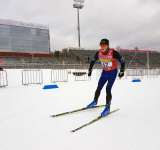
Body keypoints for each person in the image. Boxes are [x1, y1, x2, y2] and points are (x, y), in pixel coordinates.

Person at [87, 38, 125, 116]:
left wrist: (122, 71)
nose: (102, 47)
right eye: (101, 45)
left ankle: (107, 107)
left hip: (112, 73)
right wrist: (90, 70)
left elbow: (122, 61)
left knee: (108, 89)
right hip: (104, 73)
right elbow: (92, 61)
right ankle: (95, 101)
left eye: (103, 45)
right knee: (99, 87)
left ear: (107, 46)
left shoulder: (113, 52)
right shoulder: (99, 53)